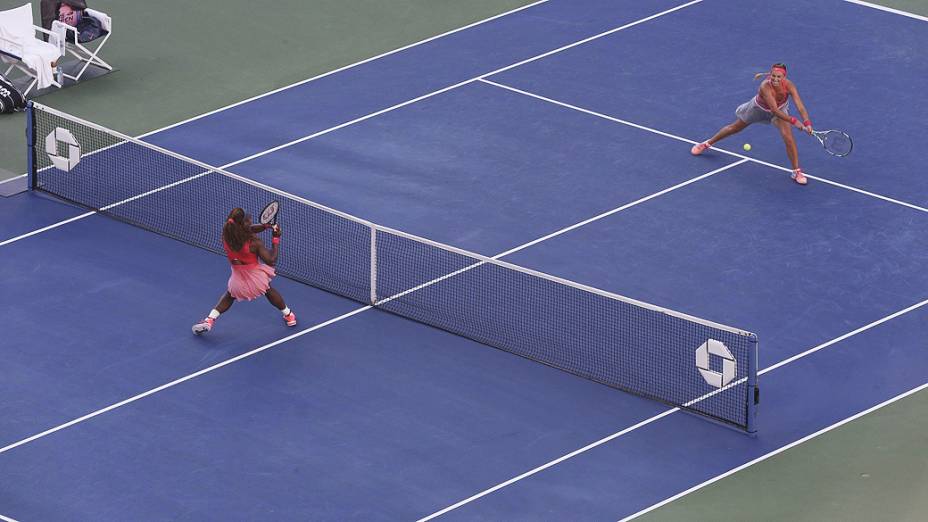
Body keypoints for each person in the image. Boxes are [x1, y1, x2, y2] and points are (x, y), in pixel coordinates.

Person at [691, 63, 814, 185]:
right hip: (758, 109)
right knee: (735, 128)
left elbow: (800, 106)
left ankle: (796, 171)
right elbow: (774, 110)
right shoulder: (765, 86)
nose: (775, 79)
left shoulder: (789, 85)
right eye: (773, 76)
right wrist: (794, 121)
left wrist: (807, 122)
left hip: (781, 109)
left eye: (779, 77)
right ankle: (706, 144)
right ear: (770, 75)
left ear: (784, 77)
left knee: (788, 137)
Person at [192, 208, 296, 334]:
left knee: (229, 296)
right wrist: (276, 239)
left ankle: (209, 320)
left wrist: (265, 226)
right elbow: (271, 260)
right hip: (257, 279)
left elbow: (249, 229)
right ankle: (289, 315)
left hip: (237, 281)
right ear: (243, 225)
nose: (251, 223)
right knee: (268, 290)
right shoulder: (254, 243)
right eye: (248, 221)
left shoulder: (227, 236)